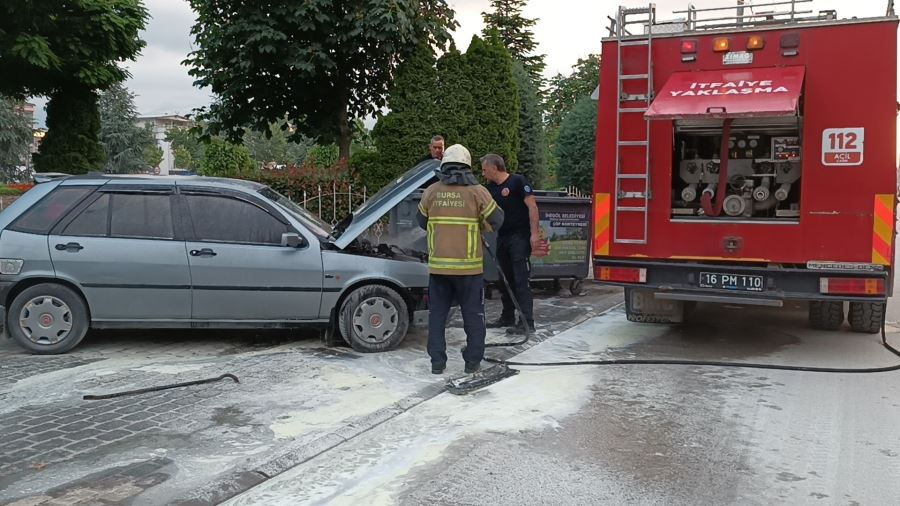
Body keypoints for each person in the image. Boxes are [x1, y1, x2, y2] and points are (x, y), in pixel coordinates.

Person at [418, 144, 504, 375]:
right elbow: (497, 220)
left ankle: (437, 363)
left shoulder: (431, 191)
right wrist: (480, 225)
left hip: (439, 269)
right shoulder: (477, 192)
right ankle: (472, 362)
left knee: (437, 317)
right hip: (469, 270)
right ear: (468, 166)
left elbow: (421, 221)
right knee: (474, 316)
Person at [481, 154, 542, 334]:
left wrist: (534, 234)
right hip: (503, 237)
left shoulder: (517, 181)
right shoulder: (490, 189)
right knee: (504, 279)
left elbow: (532, 207)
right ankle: (507, 317)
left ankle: (526, 322)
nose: (483, 173)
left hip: (520, 236)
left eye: (485, 169)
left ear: (494, 167)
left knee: (520, 279)